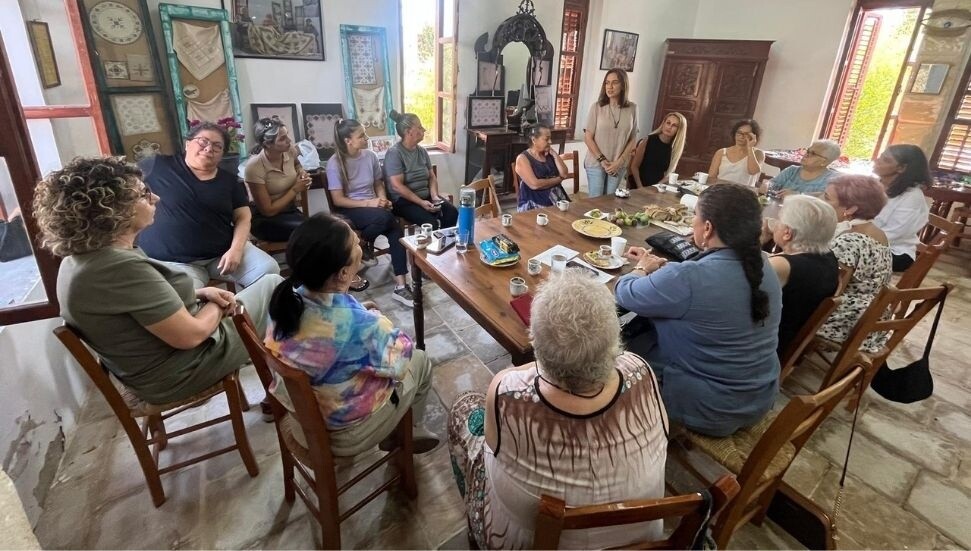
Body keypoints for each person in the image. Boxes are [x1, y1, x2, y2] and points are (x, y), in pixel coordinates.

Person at [33, 156, 282, 404]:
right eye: (143, 194)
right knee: (274, 286)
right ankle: (288, 389)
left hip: (161, 362)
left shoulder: (82, 260)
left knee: (268, 287)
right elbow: (191, 335)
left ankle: (282, 377)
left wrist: (202, 294)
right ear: (113, 209)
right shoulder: (116, 267)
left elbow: (134, 306)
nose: (156, 198)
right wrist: (218, 305)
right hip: (184, 369)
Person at [448, 270, 668, 549]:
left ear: (535, 342)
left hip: (524, 542)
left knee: (463, 409)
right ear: (615, 342)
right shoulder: (641, 370)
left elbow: (491, 444)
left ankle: (475, 527)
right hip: (639, 544)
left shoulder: (508, 392)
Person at [264, 213, 439, 456]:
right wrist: (377, 318)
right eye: (356, 244)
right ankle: (408, 431)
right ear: (344, 274)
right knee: (420, 361)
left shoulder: (284, 301)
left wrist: (361, 315)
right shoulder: (359, 326)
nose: (360, 244)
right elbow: (401, 359)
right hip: (344, 434)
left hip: (303, 422)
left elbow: (328, 328)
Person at [615, 183, 782, 437]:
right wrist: (665, 273)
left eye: (695, 216)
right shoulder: (763, 264)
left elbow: (625, 293)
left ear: (708, 228)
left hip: (710, 407)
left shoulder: (690, 277)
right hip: (757, 396)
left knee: (617, 347)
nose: (693, 221)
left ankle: (624, 431)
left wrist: (642, 269)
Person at [136, 121, 280, 290]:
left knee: (269, 271)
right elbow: (123, 185)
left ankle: (248, 312)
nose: (209, 148)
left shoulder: (229, 180)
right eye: (203, 141)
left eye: (217, 146)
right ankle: (229, 313)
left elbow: (243, 216)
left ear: (221, 154)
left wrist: (236, 250)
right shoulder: (157, 166)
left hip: (222, 254)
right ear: (188, 143)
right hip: (174, 261)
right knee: (186, 297)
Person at [327, 118, 414, 307]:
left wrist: (382, 200)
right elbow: (338, 200)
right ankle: (363, 244)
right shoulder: (335, 163)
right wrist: (371, 202)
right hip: (349, 209)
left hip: (372, 208)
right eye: (361, 136)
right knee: (388, 219)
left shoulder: (370, 156)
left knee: (394, 230)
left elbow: (378, 183)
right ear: (348, 141)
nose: (366, 138)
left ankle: (401, 286)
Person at [817, 175, 892, 353]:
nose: (821, 200)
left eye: (827, 198)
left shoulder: (850, 241)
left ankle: (787, 358)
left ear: (851, 209)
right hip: (872, 317)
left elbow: (833, 291)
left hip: (848, 320)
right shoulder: (877, 232)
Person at [763, 195, 839, 357]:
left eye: (779, 220)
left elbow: (737, 285)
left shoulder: (783, 266)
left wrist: (759, 241)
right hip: (791, 338)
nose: (775, 224)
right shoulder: (828, 257)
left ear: (788, 232)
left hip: (766, 345)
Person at [385, 110, 458, 228]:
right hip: (404, 202)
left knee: (452, 212)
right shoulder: (395, 153)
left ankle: (445, 243)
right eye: (419, 127)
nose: (423, 130)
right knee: (430, 223)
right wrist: (421, 203)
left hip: (426, 197)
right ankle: (428, 245)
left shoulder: (422, 151)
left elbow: (432, 177)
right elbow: (396, 186)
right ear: (408, 132)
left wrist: (434, 196)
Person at [244, 117, 312, 243]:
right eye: (282, 139)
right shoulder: (254, 167)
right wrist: (295, 189)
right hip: (265, 219)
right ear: (267, 144)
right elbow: (268, 211)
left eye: (287, 135)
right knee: (310, 232)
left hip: (289, 211)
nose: (289, 141)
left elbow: (297, 164)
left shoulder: (290, 151)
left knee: (320, 228)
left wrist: (301, 173)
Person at [872, 144, 931, 272]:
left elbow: (893, 234)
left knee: (838, 253)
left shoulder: (912, 197)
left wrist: (855, 236)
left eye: (886, 160)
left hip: (894, 251)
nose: (877, 161)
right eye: (880, 157)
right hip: (867, 240)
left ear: (902, 168)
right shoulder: (875, 185)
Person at [582, 68, 638, 197]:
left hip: (619, 164)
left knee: (610, 201)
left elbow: (633, 138)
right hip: (596, 162)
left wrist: (619, 162)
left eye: (614, 82)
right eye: (607, 83)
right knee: (596, 202)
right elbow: (588, 137)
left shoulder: (633, 108)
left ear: (623, 85)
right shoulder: (597, 107)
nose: (610, 87)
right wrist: (602, 160)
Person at [513, 123, 570, 211]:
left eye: (550, 138)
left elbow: (565, 174)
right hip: (535, 204)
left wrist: (555, 154)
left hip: (556, 199)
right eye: (547, 139)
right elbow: (535, 185)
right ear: (534, 140)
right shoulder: (523, 158)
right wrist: (558, 179)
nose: (550, 142)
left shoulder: (549, 154)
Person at [630, 112, 687, 189]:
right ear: (663, 123)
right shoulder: (648, 140)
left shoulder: (674, 148)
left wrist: (656, 186)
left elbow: (669, 174)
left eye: (674, 125)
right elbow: (634, 166)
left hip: (657, 187)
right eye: (668, 123)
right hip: (638, 185)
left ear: (679, 130)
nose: (669, 127)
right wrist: (640, 187)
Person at [767, 139, 841, 198]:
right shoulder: (792, 170)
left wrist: (798, 196)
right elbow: (772, 184)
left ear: (824, 162)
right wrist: (767, 185)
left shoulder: (830, 180)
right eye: (808, 151)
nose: (806, 155)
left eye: (813, 153)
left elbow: (822, 199)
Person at [708, 119, 765, 187]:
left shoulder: (758, 153)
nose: (741, 136)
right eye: (739, 132)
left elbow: (752, 171)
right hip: (721, 191)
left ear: (753, 136)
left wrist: (750, 148)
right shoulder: (721, 152)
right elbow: (711, 177)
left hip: (743, 194)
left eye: (746, 134)